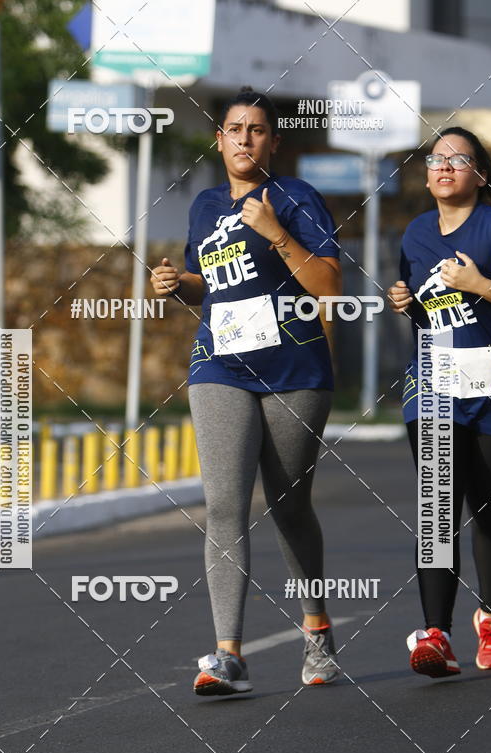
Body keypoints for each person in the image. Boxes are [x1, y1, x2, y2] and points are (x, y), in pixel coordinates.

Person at [151, 86, 343, 695]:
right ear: (219, 139)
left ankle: (316, 630)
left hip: (294, 370)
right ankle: (227, 654)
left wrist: (277, 232)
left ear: (273, 142)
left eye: (256, 130)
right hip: (219, 366)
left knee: (289, 507)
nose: (243, 139)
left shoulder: (296, 198)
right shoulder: (205, 206)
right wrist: (177, 283)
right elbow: (213, 286)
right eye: (234, 129)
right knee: (224, 505)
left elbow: (329, 288)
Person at [388, 126, 491, 678]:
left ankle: (489, 616)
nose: (444, 167)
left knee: (489, 511)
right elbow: (428, 310)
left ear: (482, 175)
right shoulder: (416, 234)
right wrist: (406, 304)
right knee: (437, 509)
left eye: (458, 160)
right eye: (435, 158)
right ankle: (436, 635)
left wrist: (479, 284)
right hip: (435, 384)